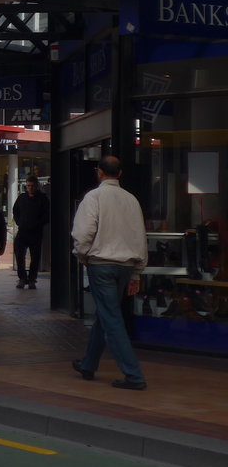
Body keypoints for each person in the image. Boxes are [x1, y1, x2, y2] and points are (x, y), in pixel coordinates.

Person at [70, 155, 149, 390]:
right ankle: (88, 364)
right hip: (125, 266)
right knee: (107, 315)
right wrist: (136, 272)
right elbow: (139, 236)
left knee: (111, 318)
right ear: (120, 173)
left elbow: (83, 233)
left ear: (99, 172)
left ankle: (134, 375)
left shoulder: (93, 197)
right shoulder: (131, 200)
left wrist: (82, 255)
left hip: (101, 263)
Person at [12, 175, 50, 289]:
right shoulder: (22, 198)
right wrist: (20, 222)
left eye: (32, 186)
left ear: (37, 186)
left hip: (36, 232)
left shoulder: (43, 199)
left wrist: (37, 224)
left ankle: (32, 279)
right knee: (19, 256)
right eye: (28, 186)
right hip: (22, 231)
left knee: (35, 257)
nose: (30, 188)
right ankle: (22, 278)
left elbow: (46, 215)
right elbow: (15, 211)